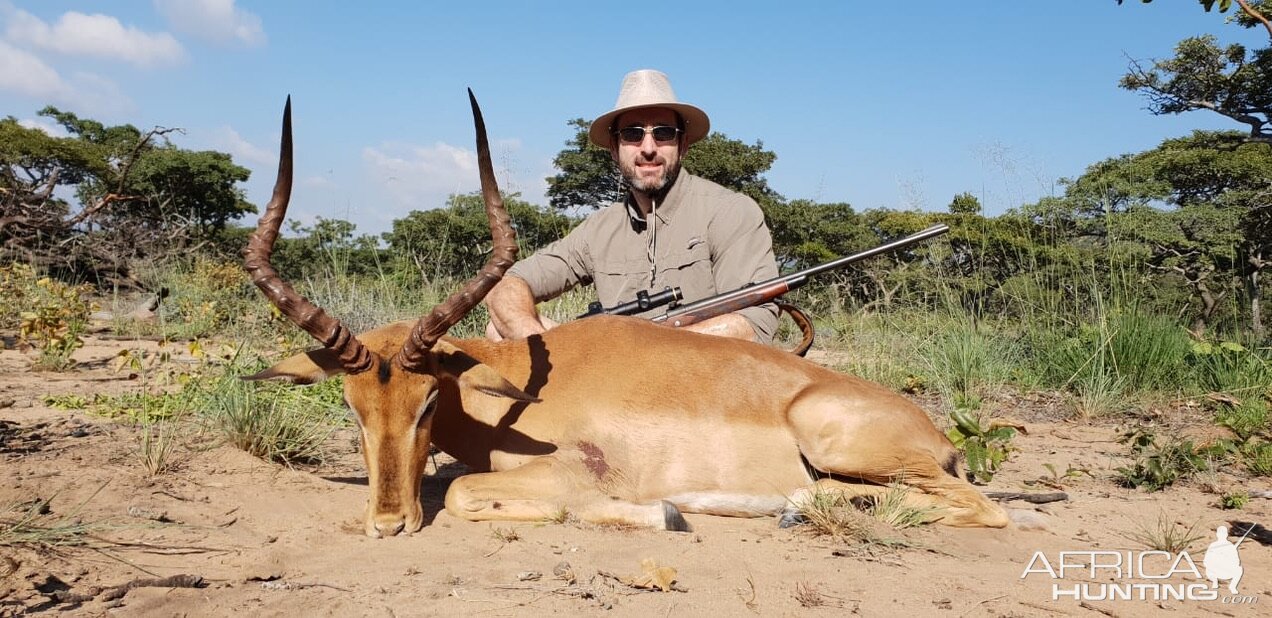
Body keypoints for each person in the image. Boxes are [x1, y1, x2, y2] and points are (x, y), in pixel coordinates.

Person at [484, 69, 780, 343]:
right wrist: (545, 347)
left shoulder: (731, 212)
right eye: (633, 134)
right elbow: (508, 283)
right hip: (613, 380)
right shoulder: (598, 230)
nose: (648, 148)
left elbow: (753, 325)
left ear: (683, 145)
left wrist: (641, 350)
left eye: (663, 133)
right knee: (498, 330)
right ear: (615, 148)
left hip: (701, 383)